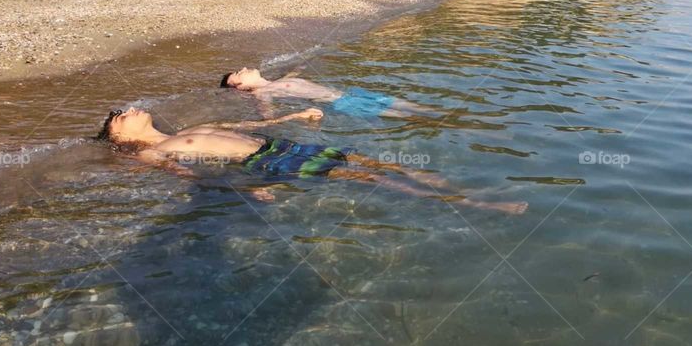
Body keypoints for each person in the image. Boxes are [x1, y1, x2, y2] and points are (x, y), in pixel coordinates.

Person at [97, 107, 528, 214]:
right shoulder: (154, 152)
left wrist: (296, 116)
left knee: (384, 165)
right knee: (369, 179)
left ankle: (460, 190)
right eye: (122, 114)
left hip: (281, 145)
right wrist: (248, 191)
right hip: (268, 165)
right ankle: (477, 206)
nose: (131, 110)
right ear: (119, 134)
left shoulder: (189, 126)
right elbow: (190, 178)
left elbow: (242, 121)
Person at [221, 68, 428, 118]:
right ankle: (443, 123)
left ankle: (445, 115)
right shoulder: (262, 93)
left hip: (349, 93)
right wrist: (300, 116)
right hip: (343, 103)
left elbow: (295, 73)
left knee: (412, 107)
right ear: (240, 88)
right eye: (239, 73)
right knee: (406, 116)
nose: (245, 68)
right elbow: (267, 115)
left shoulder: (279, 80)